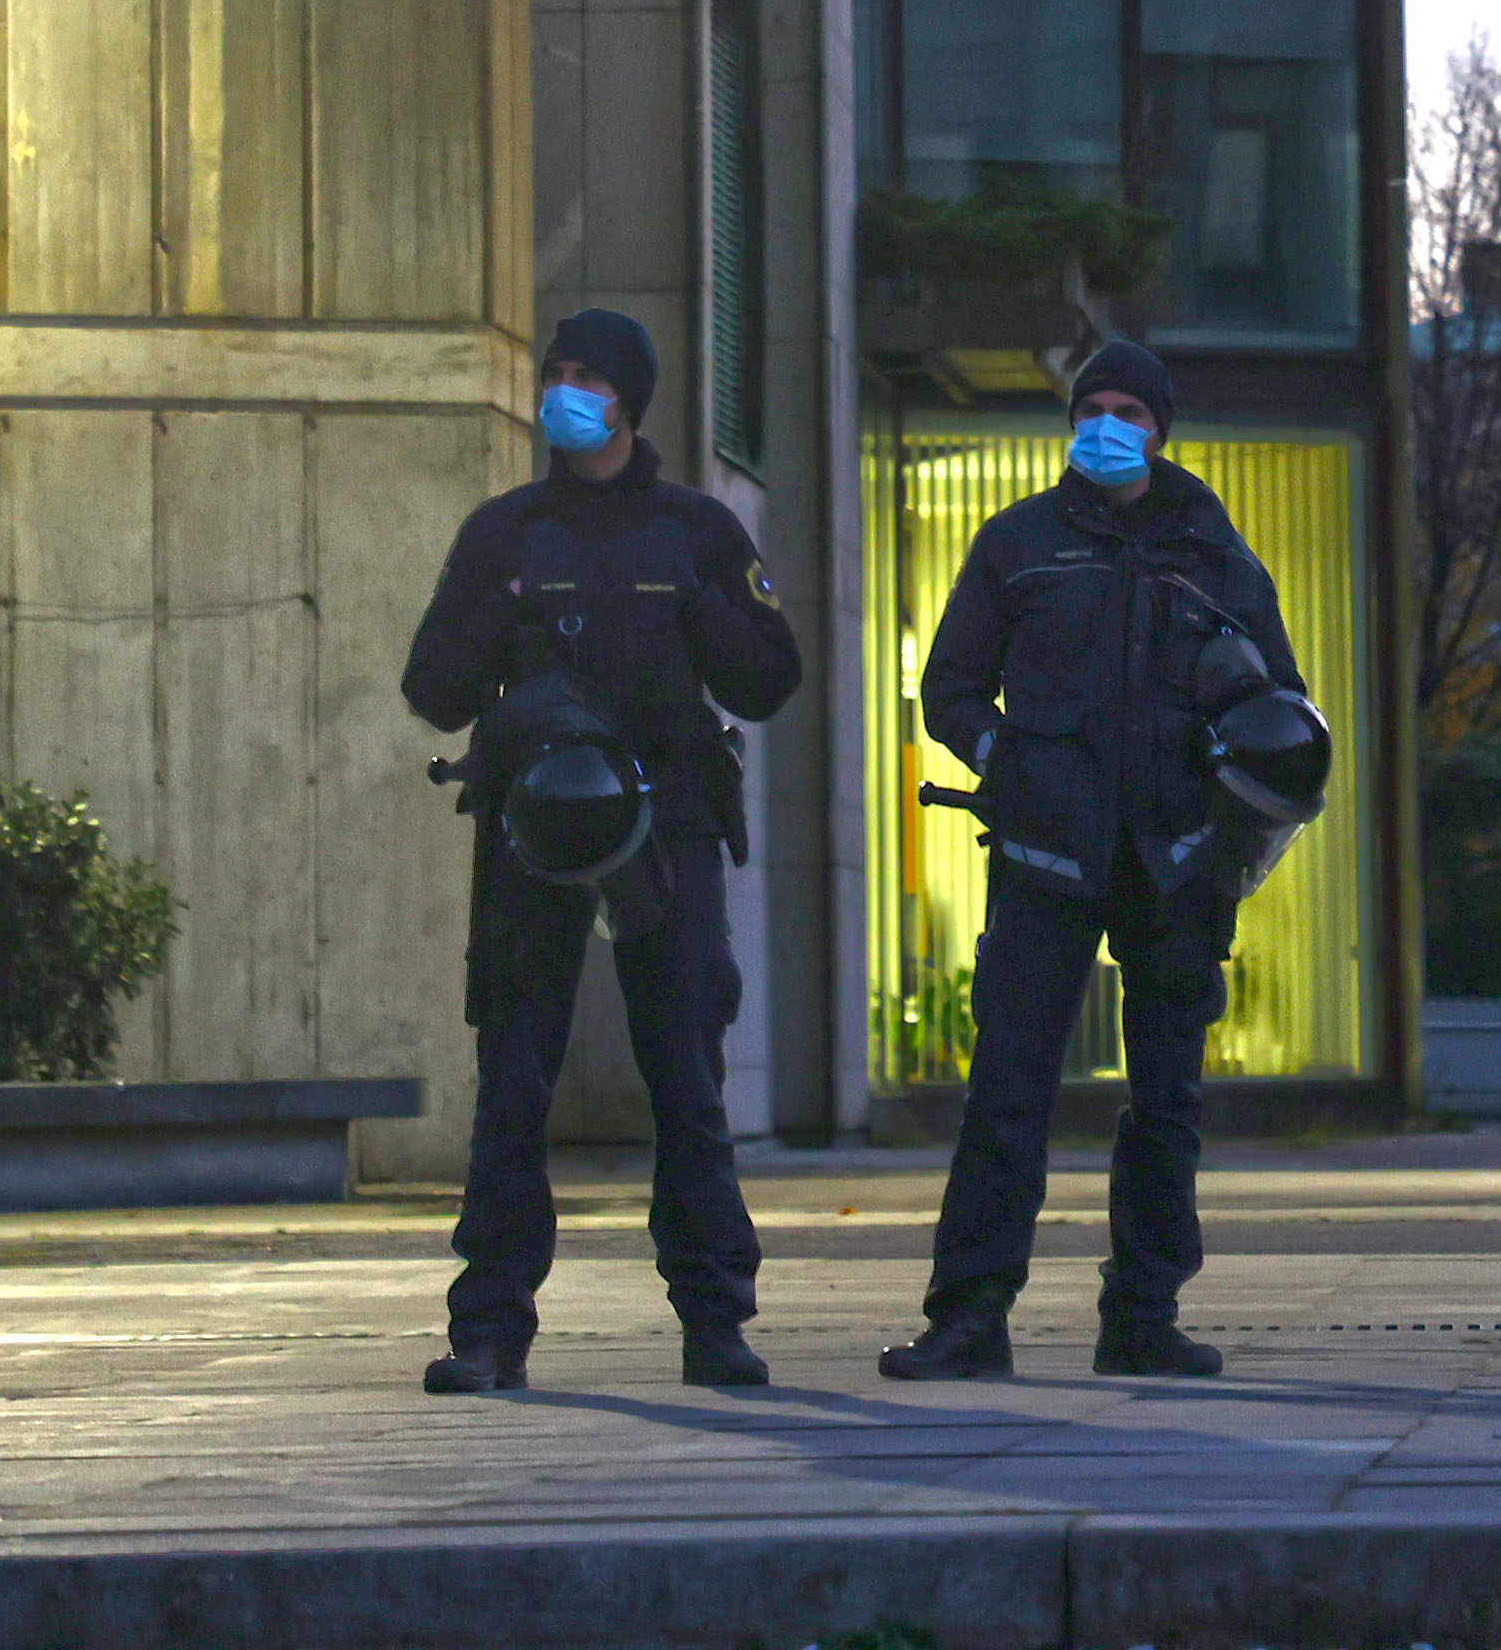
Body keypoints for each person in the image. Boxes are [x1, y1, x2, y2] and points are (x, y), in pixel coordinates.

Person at [880, 341, 1300, 1382]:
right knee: (1009, 1086)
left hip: (1174, 861)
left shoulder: (1217, 551)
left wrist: (1231, 821)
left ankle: (1143, 1313)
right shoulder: (1018, 542)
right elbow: (951, 688)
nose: (1106, 425)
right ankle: (970, 1315)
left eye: (1128, 410)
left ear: (1162, 428)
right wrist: (1001, 761)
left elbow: (1276, 708)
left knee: (1167, 1097)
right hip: (1043, 849)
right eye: (1092, 408)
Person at [403, 308, 803, 1393]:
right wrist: (502, 612)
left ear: (629, 396)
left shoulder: (697, 529)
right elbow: (431, 689)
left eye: (587, 375)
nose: (565, 389)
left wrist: (700, 611)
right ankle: (488, 1330)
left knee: (688, 1080)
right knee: (513, 1082)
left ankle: (715, 1321)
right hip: (532, 825)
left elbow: (771, 676)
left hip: (665, 822)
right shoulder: (505, 533)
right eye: (558, 372)